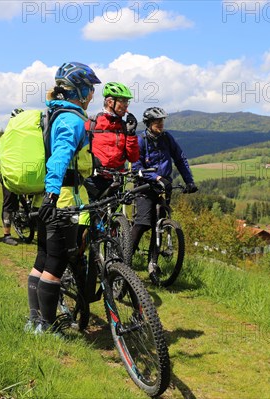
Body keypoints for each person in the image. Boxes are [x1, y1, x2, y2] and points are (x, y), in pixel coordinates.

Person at [27, 61, 100, 335]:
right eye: (90, 89)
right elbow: (59, 157)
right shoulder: (72, 119)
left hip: (48, 199)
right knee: (55, 264)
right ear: (79, 90)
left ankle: (34, 321)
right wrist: (53, 193)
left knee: (42, 259)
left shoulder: (53, 114)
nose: (93, 94)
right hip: (63, 200)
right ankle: (46, 327)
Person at [130, 106, 198, 280]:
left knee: (158, 225)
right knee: (143, 223)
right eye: (156, 121)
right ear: (148, 123)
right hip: (145, 186)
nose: (160, 124)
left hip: (164, 186)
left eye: (162, 121)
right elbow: (136, 167)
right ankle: (126, 258)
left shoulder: (167, 138)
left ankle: (152, 263)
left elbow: (180, 159)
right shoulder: (141, 141)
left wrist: (189, 181)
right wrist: (155, 177)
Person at [83, 82, 139, 200]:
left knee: (113, 216)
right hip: (93, 180)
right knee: (92, 216)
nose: (125, 106)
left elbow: (133, 158)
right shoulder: (92, 123)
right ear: (110, 102)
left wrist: (131, 134)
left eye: (126, 102)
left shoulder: (124, 127)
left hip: (116, 181)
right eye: (122, 101)